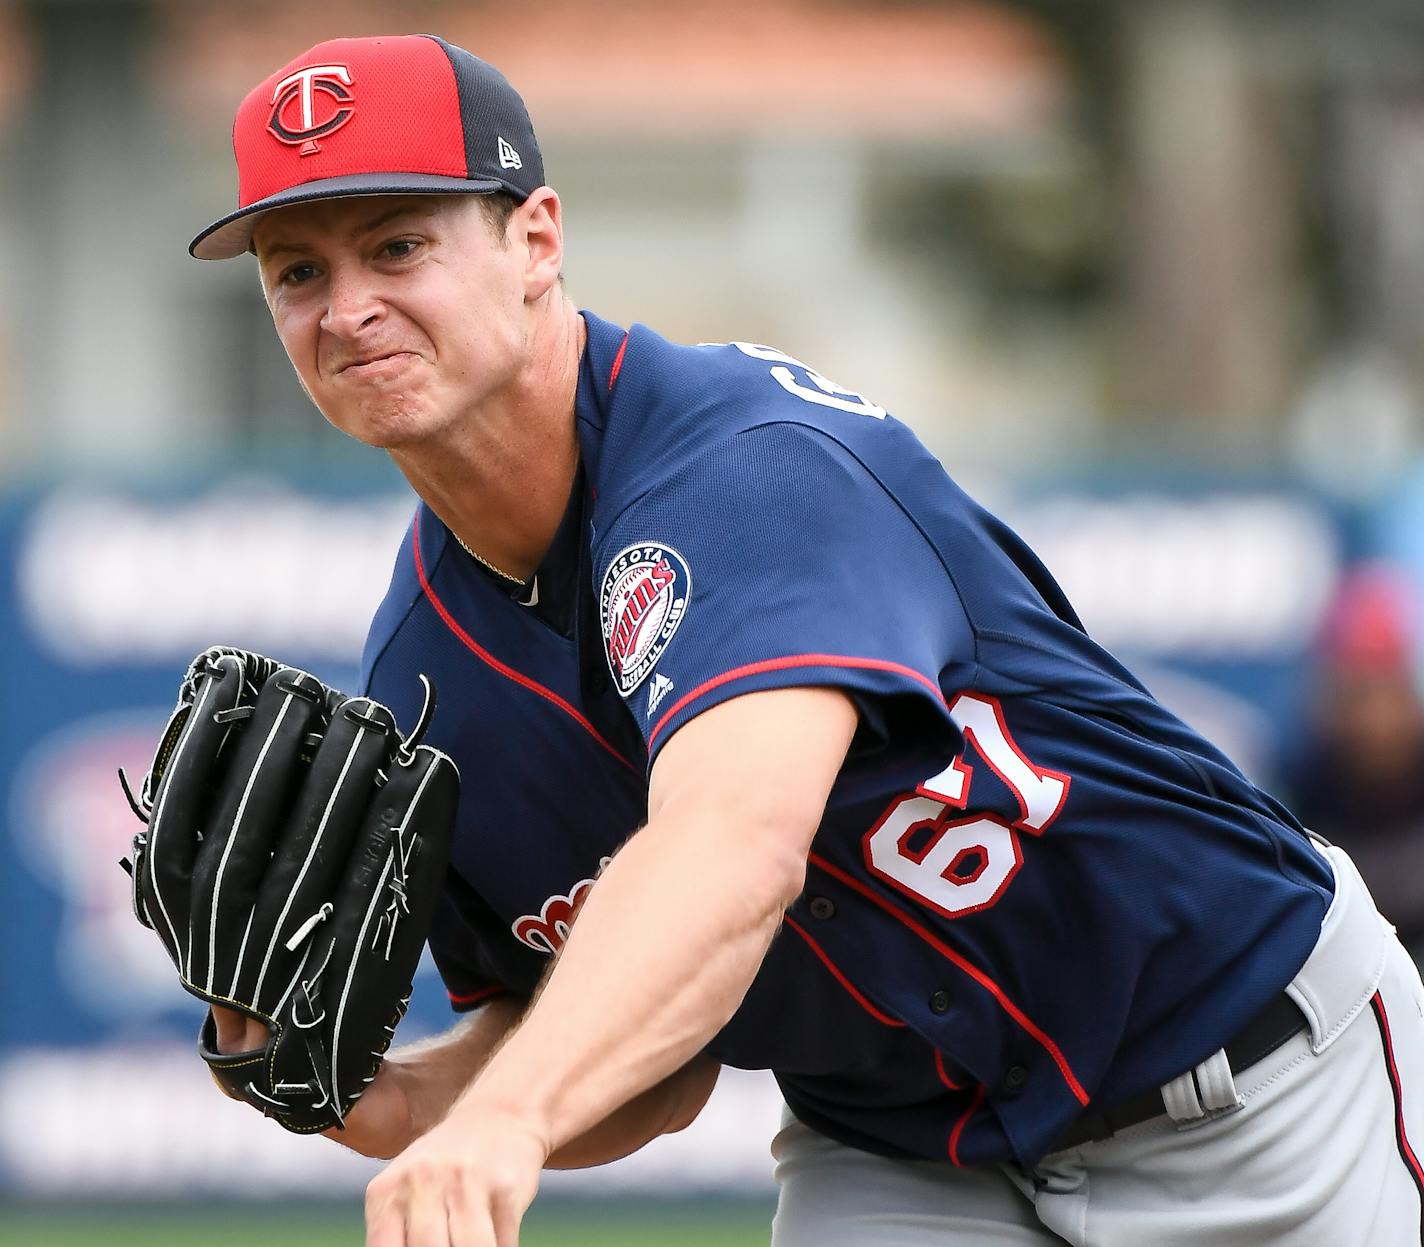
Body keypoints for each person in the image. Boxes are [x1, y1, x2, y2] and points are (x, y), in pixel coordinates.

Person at [187, 34, 1424, 1247]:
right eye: (297, 272)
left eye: (397, 246)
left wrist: (503, 1121)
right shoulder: (424, 669)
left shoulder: (740, 464)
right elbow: (637, 1063)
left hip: (1247, 1068)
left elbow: (734, 847)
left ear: (535, 240)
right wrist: (399, 1101)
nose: (348, 308)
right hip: (902, 1149)